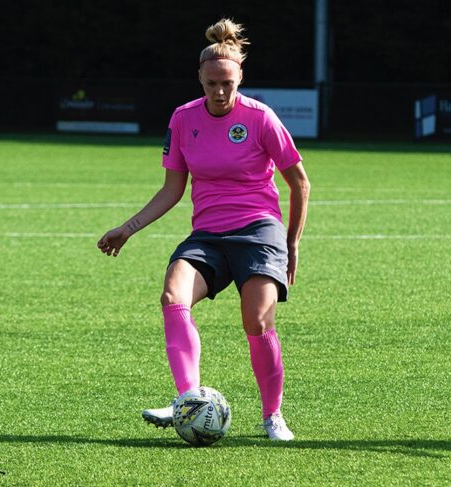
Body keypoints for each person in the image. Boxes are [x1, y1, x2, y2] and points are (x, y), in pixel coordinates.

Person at [97, 18, 310, 442]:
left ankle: (273, 416)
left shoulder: (261, 118)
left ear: (240, 78)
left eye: (227, 83)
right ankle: (188, 400)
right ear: (199, 77)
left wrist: (292, 243)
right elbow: (172, 189)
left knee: (257, 322)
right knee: (173, 296)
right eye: (211, 82)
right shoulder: (182, 119)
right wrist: (129, 227)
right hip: (208, 235)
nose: (218, 91)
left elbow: (299, 182)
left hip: (258, 231)